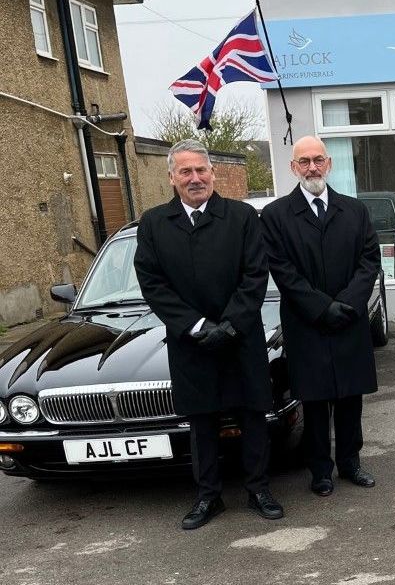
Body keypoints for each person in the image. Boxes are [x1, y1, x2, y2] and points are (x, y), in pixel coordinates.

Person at [134, 139, 283, 529]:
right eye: (186, 171)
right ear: (171, 178)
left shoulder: (242, 217)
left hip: (241, 337)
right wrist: (198, 326)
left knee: (253, 416)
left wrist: (229, 324)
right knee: (201, 422)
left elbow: (255, 274)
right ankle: (208, 496)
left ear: (213, 173)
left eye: (201, 170)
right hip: (191, 343)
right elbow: (153, 284)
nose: (195, 178)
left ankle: (258, 489)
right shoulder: (153, 224)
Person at [260, 135, 381, 498]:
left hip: (349, 320)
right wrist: (321, 307)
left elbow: (369, 260)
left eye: (317, 160)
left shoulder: (354, 211)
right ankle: (320, 471)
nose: (311, 167)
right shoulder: (277, 216)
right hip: (306, 323)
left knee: (349, 396)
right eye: (304, 161)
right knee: (314, 402)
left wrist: (347, 303)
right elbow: (281, 269)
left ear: (329, 164)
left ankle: (351, 463)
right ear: (293, 167)